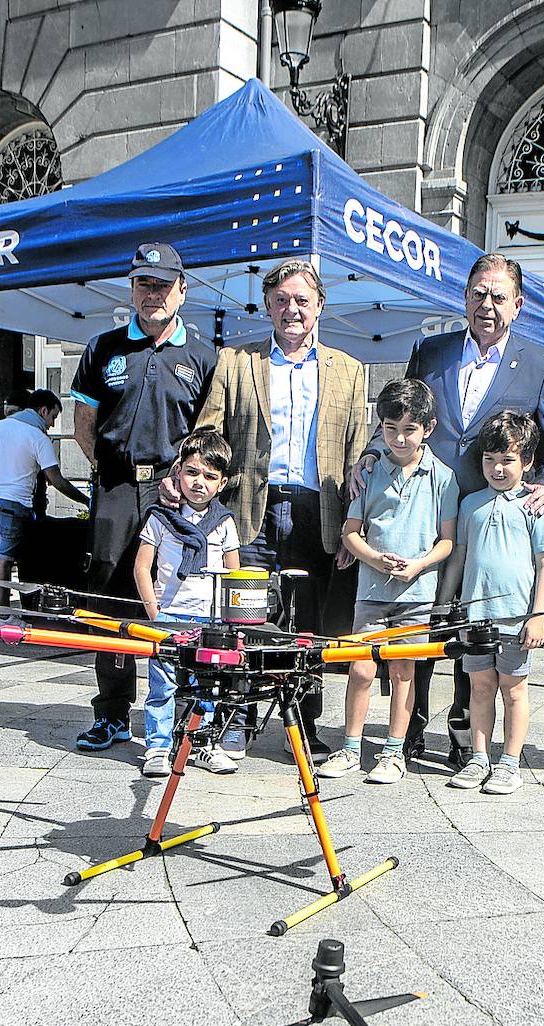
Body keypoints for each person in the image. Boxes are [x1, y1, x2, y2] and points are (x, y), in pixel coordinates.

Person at [356, 252, 544, 771]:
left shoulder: (538, 366)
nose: (487, 305)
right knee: (419, 625)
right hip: (422, 515)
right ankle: (407, 733)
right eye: (478, 294)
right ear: (465, 297)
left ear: (517, 305)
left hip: (483, 520)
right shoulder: (432, 351)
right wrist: (371, 452)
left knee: (470, 627)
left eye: (498, 296)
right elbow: (400, 413)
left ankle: (462, 732)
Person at [194, 258, 367, 761]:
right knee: (245, 620)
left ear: (320, 306)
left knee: (308, 628)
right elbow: (209, 433)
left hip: (319, 512)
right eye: (281, 300)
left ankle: (304, 727)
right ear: (268, 307)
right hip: (252, 510)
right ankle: (237, 724)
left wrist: (353, 526)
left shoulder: (349, 370)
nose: (292, 309)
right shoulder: (236, 362)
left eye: (302, 300)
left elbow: (358, 454)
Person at [71, 243, 216, 752]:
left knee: (178, 600)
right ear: (131, 289)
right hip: (115, 488)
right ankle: (112, 713)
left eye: (162, 285)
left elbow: (207, 433)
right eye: (143, 284)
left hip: (175, 493)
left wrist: (183, 477)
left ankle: (182, 718)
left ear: (182, 290)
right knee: (111, 599)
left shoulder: (203, 355)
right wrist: (106, 471)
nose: (152, 294)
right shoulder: (103, 347)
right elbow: (83, 423)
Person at [318, 379, 458, 785]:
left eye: (409, 429)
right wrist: (374, 558)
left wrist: (419, 565)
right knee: (360, 669)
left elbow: (447, 541)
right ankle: (350, 747)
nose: (399, 438)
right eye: (390, 428)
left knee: (403, 672)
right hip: (371, 591)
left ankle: (394, 752)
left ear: (428, 428)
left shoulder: (444, 477)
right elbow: (350, 532)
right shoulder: (369, 472)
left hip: (417, 593)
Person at [437, 411, 544, 796]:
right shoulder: (470, 504)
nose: (498, 468)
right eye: (490, 460)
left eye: (508, 460)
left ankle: (510, 763)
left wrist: (538, 617)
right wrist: (444, 605)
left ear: (527, 461)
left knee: (514, 690)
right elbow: (458, 557)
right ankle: (478, 757)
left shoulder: (536, 506)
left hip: (516, 620)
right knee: (480, 688)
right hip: (476, 619)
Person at [134, 429, 241, 778]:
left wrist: (229, 619)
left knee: (207, 685)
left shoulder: (224, 522)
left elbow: (234, 574)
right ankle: (157, 747)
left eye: (210, 476)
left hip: (209, 620)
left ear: (222, 483)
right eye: (192, 472)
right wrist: (154, 612)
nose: (199, 482)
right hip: (169, 615)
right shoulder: (160, 517)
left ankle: (201, 743)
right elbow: (142, 567)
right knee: (162, 684)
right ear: (178, 472)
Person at [0, 389, 88, 606]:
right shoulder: (39, 438)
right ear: (43, 410)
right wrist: (85, 500)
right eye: (53, 417)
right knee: (4, 560)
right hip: (15, 502)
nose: (52, 424)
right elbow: (56, 479)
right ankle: (4, 612)